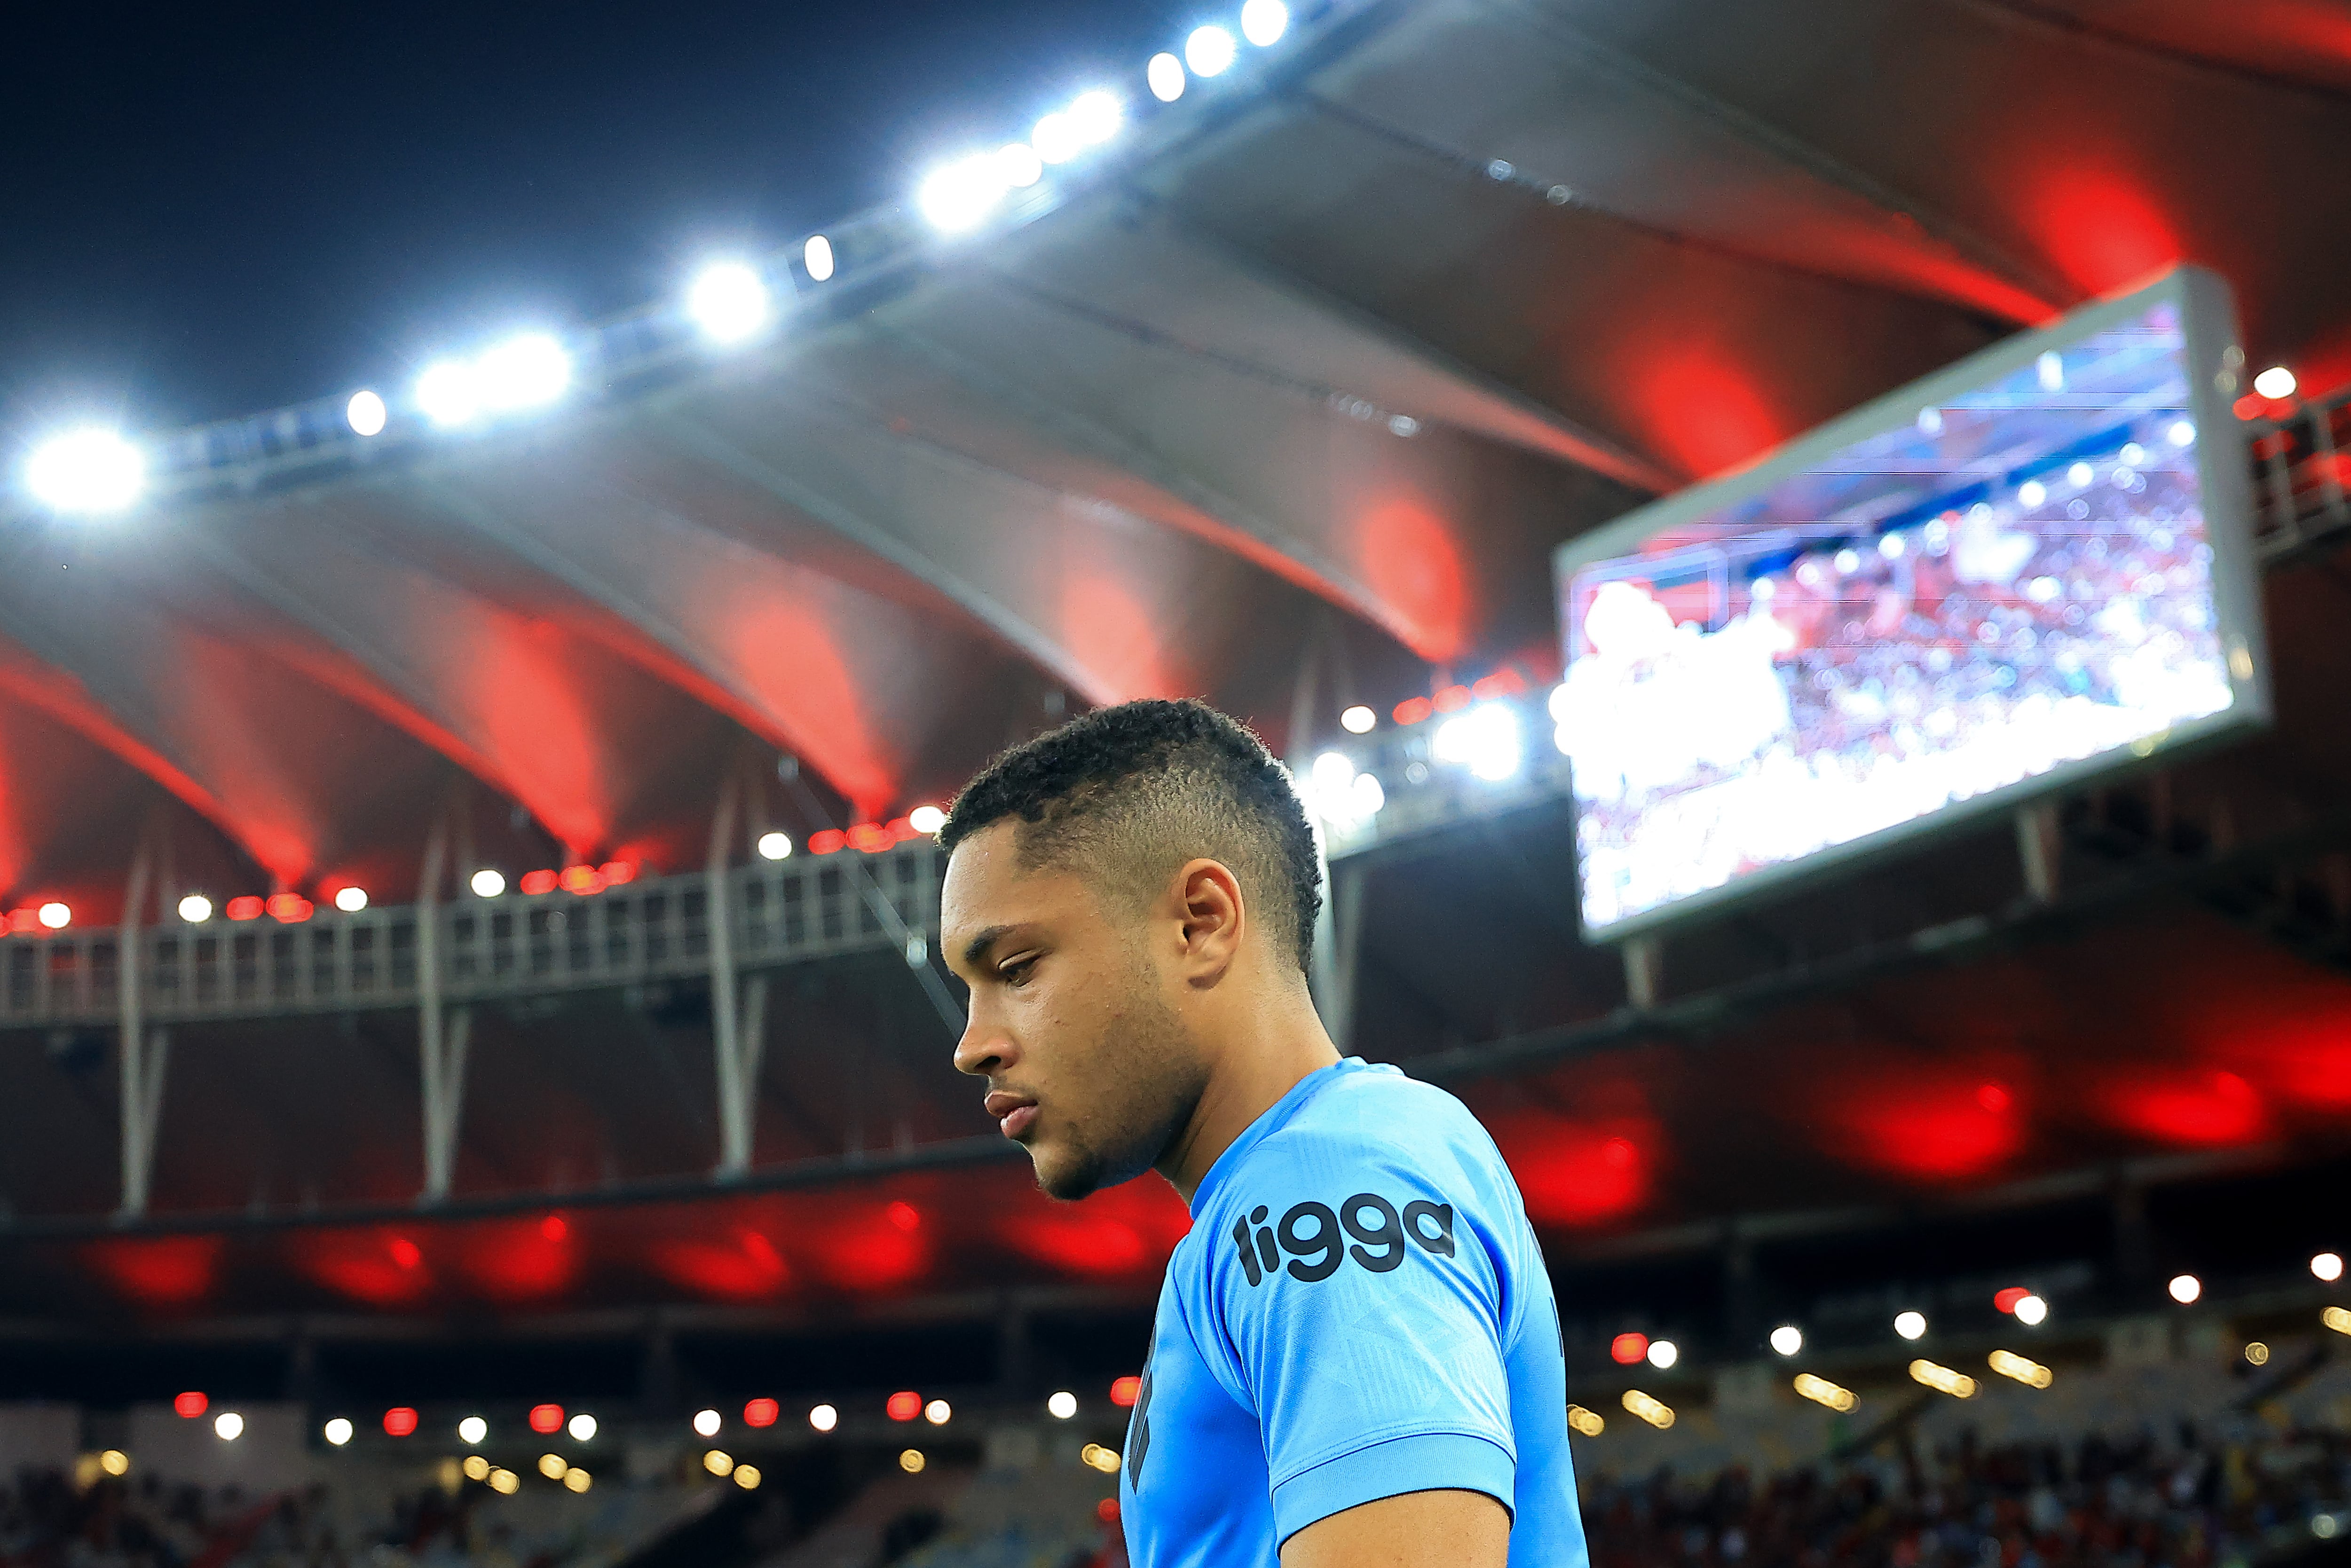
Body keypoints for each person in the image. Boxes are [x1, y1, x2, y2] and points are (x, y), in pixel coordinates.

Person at [938, 699, 1584, 1568]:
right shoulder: (1298, 1183)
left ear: (1200, 923)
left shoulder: (1324, 1187)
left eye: (1015, 970)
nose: (972, 1046)